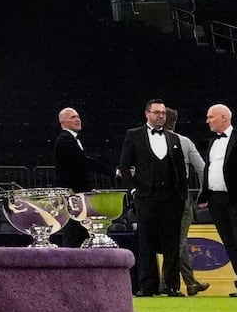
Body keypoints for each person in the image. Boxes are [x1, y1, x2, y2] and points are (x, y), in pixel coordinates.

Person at [118, 98, 187, 297]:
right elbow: (124, 165)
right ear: (147, 114)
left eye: (163, 113)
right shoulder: (134, 135)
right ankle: (148, 286)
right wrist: (133, 190)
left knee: (171, 243)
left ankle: (173, 286)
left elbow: (181, 170)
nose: (160, 116)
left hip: (171, 198)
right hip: (146, 196)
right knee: (146, 242)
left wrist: (182, 194)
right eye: (156, 112)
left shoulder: (174, 139)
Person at [198, 103, 237, 298]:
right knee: (229, 242)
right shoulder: (212, 142)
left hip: (235, 198)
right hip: (216, 199)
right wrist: (205, 195)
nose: (207, 120)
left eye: (211, 117)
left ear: (224, 117)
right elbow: (210, 169)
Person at [164, 106, 209, 296]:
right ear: (175, 122)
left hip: (158, 200)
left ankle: (189, 282)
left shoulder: (147, 141)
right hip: (180, 198)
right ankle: (167, 282)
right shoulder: (184, 142)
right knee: (179, 241)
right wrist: (203, 193)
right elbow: (202, 169)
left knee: (173, 242)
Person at [53, 107, 108, 248]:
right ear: (63, 123)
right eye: (73, 117)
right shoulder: (65, 140)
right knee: (73, 233)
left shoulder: (72, 139)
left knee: (80, 232)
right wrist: (114, 172)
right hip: (73, 196)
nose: (78, 119)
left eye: (78, 116)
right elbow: (84, 161)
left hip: (78, 195)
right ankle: (70, 266)